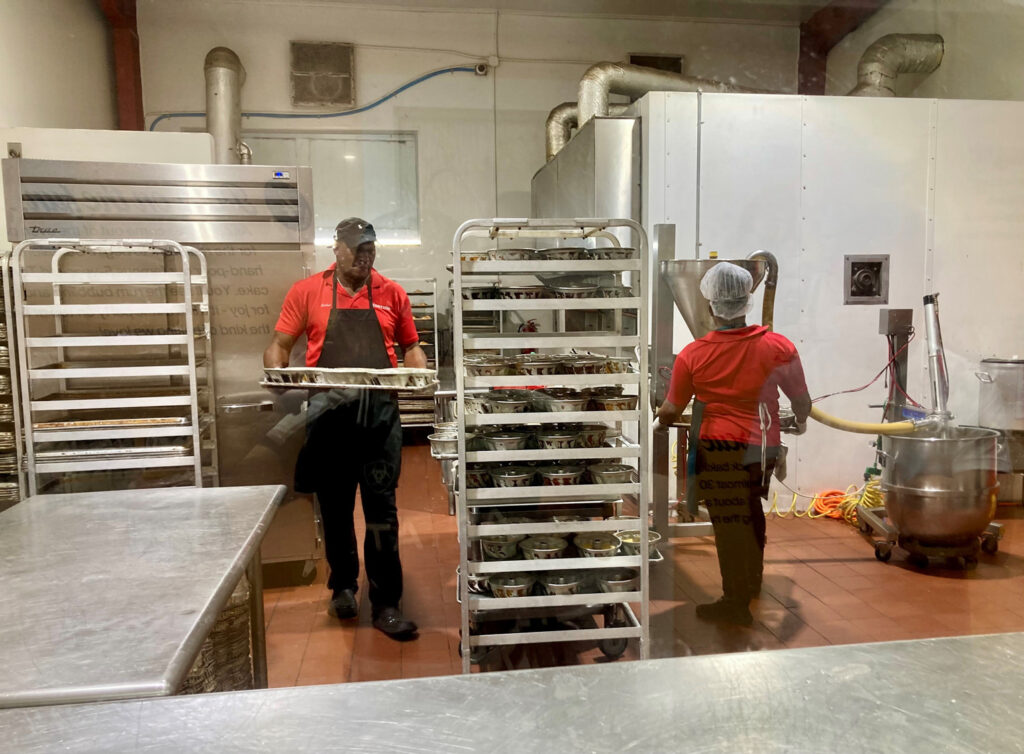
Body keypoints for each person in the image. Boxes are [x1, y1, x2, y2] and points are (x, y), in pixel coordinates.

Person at [263, 217, 426, 641]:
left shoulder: (392, 293)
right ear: (336, 249)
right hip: (329, 417)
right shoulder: (307, 292)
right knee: (334, 510)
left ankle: (387, 602)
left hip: (377, 419)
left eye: (370, 249)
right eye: (356, 248)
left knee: (381, 515)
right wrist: (276, 376)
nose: (364, 256)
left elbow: (411, 347)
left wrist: (418, 376)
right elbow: (280, 344)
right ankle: (344, 589)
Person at [655, 262, 810, 627]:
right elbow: (802, 401)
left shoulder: (694, 355)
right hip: (763, 447)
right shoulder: (778, 346)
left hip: (719, 449)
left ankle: (735, 602)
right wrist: (800, 422)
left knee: (729, 525)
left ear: (710, 306)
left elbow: (671, 408)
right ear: (747, 302)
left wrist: (659, 419)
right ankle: (752, 582)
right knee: (751, 512)